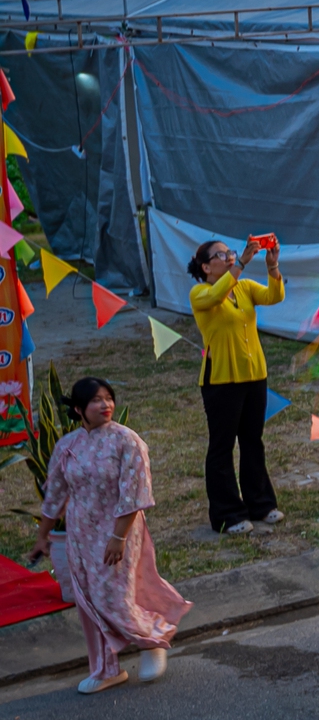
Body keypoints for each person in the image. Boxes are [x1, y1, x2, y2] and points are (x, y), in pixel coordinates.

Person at [36, 378, 189, 696]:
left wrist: (118, 538)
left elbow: (134, 494)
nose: (105, 405)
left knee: (112, 598)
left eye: (108, 398)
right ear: (78, 409)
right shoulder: (68, 445)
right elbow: (55, 495)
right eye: (96, 400)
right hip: (80, 536)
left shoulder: (127, 441)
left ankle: (153, 639)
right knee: (89, 601)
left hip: (118, 532)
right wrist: (43, 535)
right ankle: (106, 669)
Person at [188, 236, 285, 535]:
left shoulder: (243, 287)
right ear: (206, 266)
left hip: (254, 374)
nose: (229, 256)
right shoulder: (200, 292)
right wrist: (241, 263)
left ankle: (261, 504)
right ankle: (227, 514)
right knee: (222, 446)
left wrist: (272, 266)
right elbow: (216, 296)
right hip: (220, 380)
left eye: (230, 252)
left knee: (253, 441)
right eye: (222, 254)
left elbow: (274, 297)